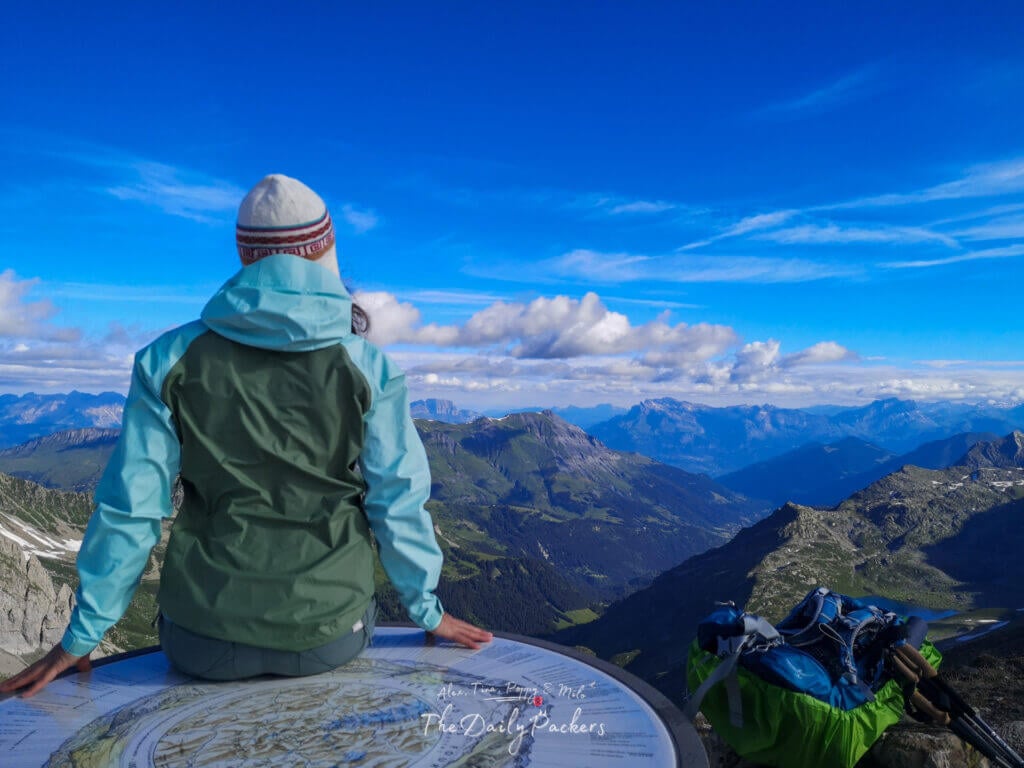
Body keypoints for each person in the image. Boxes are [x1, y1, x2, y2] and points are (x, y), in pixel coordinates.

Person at [1, 174, 492, 697]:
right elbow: (397, 501)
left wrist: (81, 636)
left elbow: (130, 509)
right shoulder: (369, 368)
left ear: (244, 256)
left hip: (199, 642)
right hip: (330, 635)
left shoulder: (166, 360)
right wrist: (426, 610)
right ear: (326, 251)